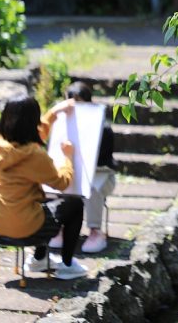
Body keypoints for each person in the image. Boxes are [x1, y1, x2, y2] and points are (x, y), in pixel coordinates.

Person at [0, 96, 88, 280]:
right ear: (32, 122)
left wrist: (54, 112)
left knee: (43, 202)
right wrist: (68, 157)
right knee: (74, 205)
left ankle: (39, 259)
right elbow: (62, 183)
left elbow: (34, 135)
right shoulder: (34, 155)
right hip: (25, 227)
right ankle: (67, 264)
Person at [49, 81, 116, 253]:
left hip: (101, 174)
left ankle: (95, 231)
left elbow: (104, 160)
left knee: (91, 188)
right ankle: (59, 228)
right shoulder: (61, 124)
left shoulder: (103, 127)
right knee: (60, 184)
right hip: (72, 171)